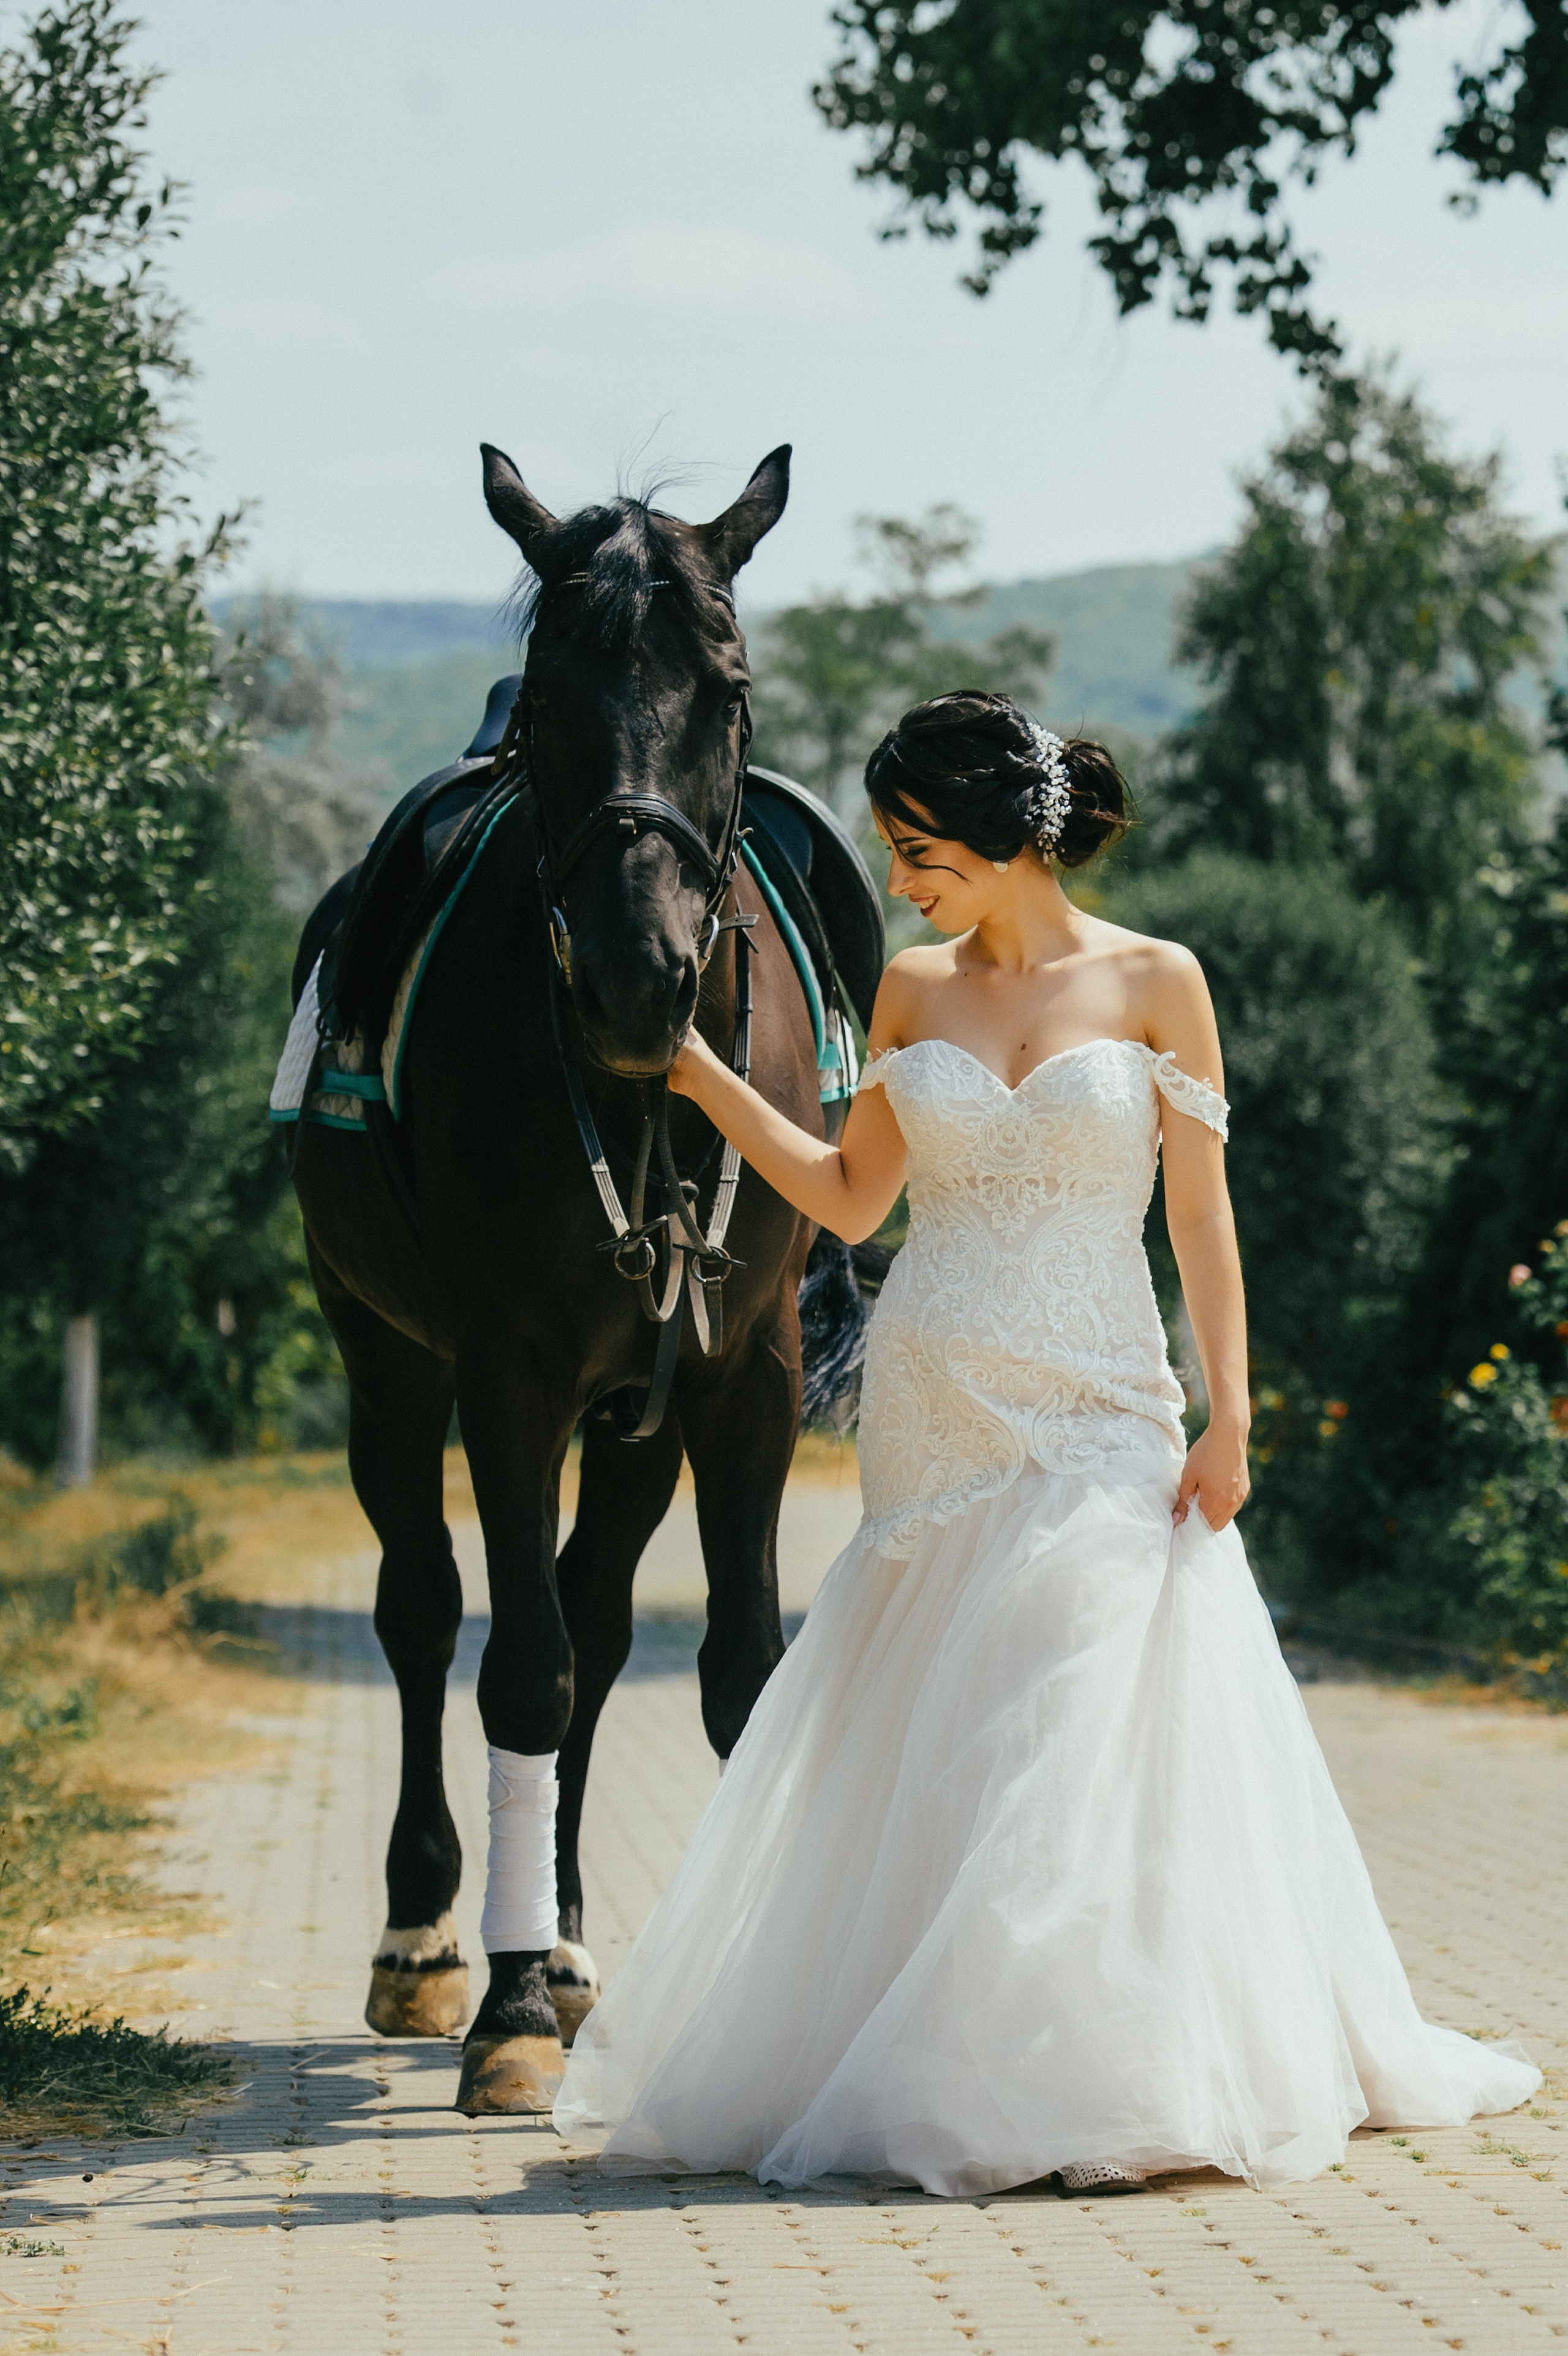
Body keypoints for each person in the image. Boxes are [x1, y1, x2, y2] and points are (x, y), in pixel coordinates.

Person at [553, 690, 1538, 2197]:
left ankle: (1098, 2070)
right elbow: (845, 1197)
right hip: (937, 1396)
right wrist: (698, 1076)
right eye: (894, 853)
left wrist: (1232, 1408)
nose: (902, 881)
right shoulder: (906, 987)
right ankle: (948, 2069)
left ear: (1008, 838)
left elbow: (1198, 1213)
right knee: (953, 1724)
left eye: (919, 849)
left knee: (1075, 1709)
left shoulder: (1159, 980)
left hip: (1100, 1391)